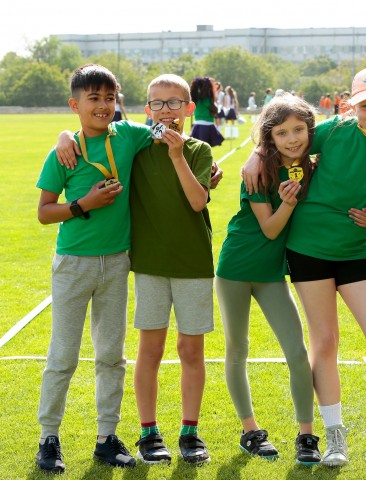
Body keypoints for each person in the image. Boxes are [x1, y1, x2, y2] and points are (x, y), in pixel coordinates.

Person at [241, 66, 366, 473]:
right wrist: (254, 154)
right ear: (351, 106)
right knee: (326, 341)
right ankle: (334, 437)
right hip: (308, 248)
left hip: (354, 251)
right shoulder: (335, 130)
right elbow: (285, 137)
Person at [34, 64, 153, 473]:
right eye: (94, 98)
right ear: (75, 105)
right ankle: (48, 438)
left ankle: (106, 437)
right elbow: (44, 212)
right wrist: (83, 204)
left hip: (117, 262)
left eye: (110, 98)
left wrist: (206, 163)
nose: (103, 105)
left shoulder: (130, 135)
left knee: (111, 355)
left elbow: (166, 131)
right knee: (63, 356)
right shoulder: (64, 152)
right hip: (73, 263)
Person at [216, 95, 323, 465]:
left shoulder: (313, 165)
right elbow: (271, 229)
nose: (292, 139)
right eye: (281, 133)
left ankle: (306, 435)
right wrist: (288, 202)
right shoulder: (258, 170)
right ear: (270, 137)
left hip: (272, 274)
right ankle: (250, 431)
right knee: (237, 349)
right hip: (236, 268)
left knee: (297, 351)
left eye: (298, 130)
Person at [127, 74, 215, 466]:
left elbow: (197, 202)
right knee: (150, 350)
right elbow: (93, 136)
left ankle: (189, 431)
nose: (166, 111)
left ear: (189, 108)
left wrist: (178, 156)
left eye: (174, 102)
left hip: (193, 263)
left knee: (190, 349)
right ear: (147, 109)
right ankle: (148, 432)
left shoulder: (198, 150)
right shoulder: (136, 147)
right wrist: (65, 136)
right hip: (149, 263)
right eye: (158, 104)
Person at [189, 77, 224, 147]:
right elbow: (215, 110)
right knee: (204, 149)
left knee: (198, 148)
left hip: (197, 125)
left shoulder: (196, 98)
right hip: (207, 126)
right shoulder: (207, 99)